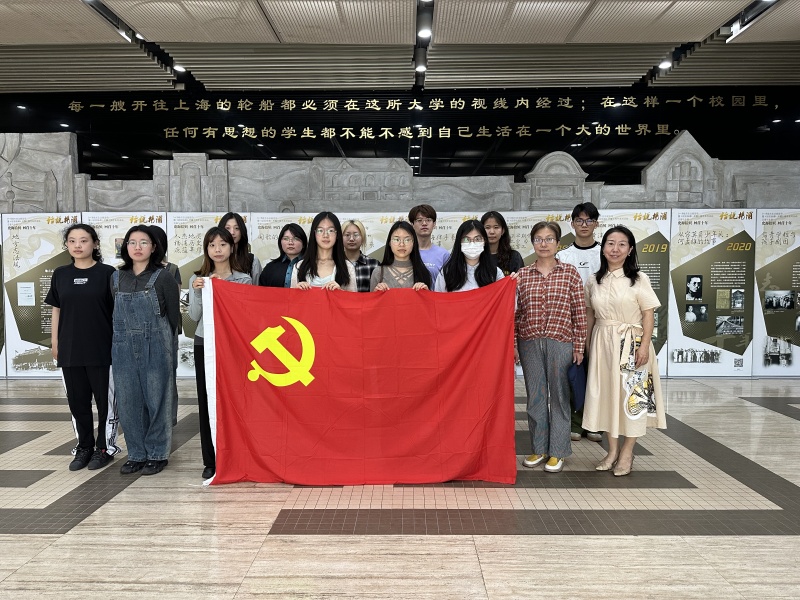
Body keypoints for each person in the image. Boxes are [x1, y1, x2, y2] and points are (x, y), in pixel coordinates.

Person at [583, 226, 666, 477]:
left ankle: (627, 452)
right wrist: (587, 345)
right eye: (610, 243)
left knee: (632, 398)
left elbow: (648, 314)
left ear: (630, 250)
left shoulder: (639, 279)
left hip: (632, 343)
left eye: (622, 244)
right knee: (606, 397)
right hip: (602, 344)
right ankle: (611, 451)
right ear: (603, 248)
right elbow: (590, 315)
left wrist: (644, 346)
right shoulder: (593, 280)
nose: (615, 249)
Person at [46, 224, 119, 471]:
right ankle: (84, 447)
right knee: (78, 403)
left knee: (106, 404)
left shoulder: (108, 273)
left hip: (102, 349)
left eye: (84, 240)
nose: (78, 245)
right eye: (72, 240)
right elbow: (56, 309)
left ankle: (105, 448)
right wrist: (55, 342)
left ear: (95, 244)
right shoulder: (60, 274)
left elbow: (116, 313)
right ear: (67, 244)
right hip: (70, 350)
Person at [516, 221, 587, 474]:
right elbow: (515, 314)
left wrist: (579, 346)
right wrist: (514, 344)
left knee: (559, 396)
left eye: (549, 239)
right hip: (529, 342)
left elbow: (579, 312)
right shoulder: (522, 275)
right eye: (538, 239)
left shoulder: (570, 273)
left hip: (561, 342)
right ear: (533, 243)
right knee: (535, 396)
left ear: (558, 243)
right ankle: (539, 448)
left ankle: (558, 451)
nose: (543, 244)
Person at [112, 225, 180, 476]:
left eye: (143, 242)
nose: (137, 247)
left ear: (153, 248)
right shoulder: (116, 278)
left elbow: (173, 317)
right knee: (128, 402)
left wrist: (166, 349)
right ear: (125, 247)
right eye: (132, 242)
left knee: (158, 400)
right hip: (122, 347)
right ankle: (136, 454)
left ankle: (158, 454)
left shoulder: (163, 277)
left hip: (157, 345)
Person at [189, 227, 252, 479]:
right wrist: (197, 291)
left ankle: (237, 455)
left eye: (223, 244)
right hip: (204, 343)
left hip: (233, 346)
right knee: (206, 401)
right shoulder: (198, 279)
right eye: (212, 245)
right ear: (206, 249)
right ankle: (210, 460)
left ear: (232, 247)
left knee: (235, 400)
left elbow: (246, 317)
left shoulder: (243, 280)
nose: (218, 249)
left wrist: (226, 290)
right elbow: (194, 316)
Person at [556, 202, 603, 443]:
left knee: (597, 373)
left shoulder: (605, 252)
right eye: (579, 220)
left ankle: (595, 423)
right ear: (572, 223)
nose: (584, 225)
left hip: (600, 321)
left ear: (596, 223)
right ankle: (575, 422)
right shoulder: (563, 256)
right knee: (574, 372)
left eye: (589, 220)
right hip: (570, 322)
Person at [149, 225, 181, 427]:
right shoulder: (129, 270)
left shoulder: (172, 269)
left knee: (168, 376)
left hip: (166, 330)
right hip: (140, 331)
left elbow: (173, 304)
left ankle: (169, 418)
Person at [291, 211, 356, 291]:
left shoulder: (347, 267)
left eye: (331, 230)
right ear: (314, 234)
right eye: (320, 230)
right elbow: (291, 298)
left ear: (337, 234)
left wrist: (340, 293)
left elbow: (353, 298)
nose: (325, 235)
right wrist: (297, 291)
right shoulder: (299, 266)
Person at [434, 220, 504, 292]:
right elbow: (438, 297)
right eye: (466, 239)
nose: (472, 244)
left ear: (485, 241)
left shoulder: (495, 273)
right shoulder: (447, 272)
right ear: (459, 242)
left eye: (477, 239)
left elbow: (504, 296)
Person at [370, 221, 432, 291]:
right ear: (389, 243)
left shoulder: (423, 272)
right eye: (397, 239)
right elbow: (372, 298)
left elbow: (429, 298)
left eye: (407, 240)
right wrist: (376, 292)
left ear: (413, 243)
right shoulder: (378, 272)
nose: (402, 244)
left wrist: (425, 292)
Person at [408, 204, 450, 282]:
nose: (424, 223)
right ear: (412, 224)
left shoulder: (443, 255)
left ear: (434, 224)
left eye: (428, 220)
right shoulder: (406, 252)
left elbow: (448, 283)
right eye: (419, 220)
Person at [259, 223, 307, 287]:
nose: (290, 243)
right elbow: (261, 291)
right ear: (280, 242)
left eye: (295, 239)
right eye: (286, 239)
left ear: (303, 244)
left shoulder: (312, 266)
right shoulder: (270, 268)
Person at [219, 212, 262, 284]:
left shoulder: (252, 260)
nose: (232, 232)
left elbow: (256, 288)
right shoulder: (214, 257)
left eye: (237, 228)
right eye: (227, 228)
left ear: (242, 231)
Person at [481, 211, 524, 275]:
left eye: (496, 227)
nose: (492, 232)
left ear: (503, 231)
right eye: (487, 227)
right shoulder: (476, 256)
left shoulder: (513, 256)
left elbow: (520, 279)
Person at [342, 219, 379, 292]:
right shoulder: (335, 263)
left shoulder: (374, 264)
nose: (351, 239)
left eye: (356, 235)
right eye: (347, 235)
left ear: (363, 237)